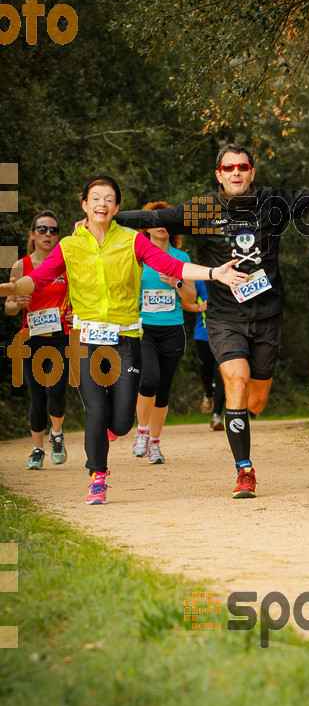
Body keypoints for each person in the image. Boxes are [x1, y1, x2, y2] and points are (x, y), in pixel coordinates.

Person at [116, 145, 309, 498]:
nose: (236, 172)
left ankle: (241, 409)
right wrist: (105, 217)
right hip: (224, 316)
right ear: (219, 174)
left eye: (243, 167)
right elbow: (152, 220)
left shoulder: (273, 202)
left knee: (255, 401)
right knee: (236, 383)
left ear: (252, 172)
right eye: (229, 168)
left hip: (268, 315)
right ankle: (244, 471)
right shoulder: (201, 210)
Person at [0, 176, 247, 505]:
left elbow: (172, 265)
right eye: (95, 198)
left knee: (121, 421)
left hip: (126, 339)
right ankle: (97, 477)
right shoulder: (69, 247)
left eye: (109, 199)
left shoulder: (132, 241)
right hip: (86, 340)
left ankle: (105, 439)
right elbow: (40, 278)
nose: (101, 203)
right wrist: (13, 288)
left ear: (117, 208)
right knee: (96, 412)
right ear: (84, 205)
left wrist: (215, 273)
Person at [131, 201, 196, 463]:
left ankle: (155, 444)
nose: (160, 226)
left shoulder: (181, 258)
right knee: (149, 380)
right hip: (144, 328)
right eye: (154, 221)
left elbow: (191, 297)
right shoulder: (135, 257)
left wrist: (177, 282)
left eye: (166, 221)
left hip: (172, 329)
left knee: (164, 389)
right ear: (145, 228)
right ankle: (142, 433)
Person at [5, 211, 70, 469]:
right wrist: (16, 302)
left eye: (53, 231)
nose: (48, 235)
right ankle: (37, 449)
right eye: (42, 230)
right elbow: (9, 307)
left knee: (55, 390)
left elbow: (78, 296)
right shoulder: (21, 266)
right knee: (37, 396)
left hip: (61, 336)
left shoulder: (66, 264)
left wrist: (76, 313)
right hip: (31, 337)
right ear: (32, 234)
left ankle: (56, 435)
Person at [181, 280, 226, 431]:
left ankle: (217, 416)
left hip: (226, 337)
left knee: (221, 375)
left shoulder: (230, 279)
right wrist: (200, 307)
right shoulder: (200, 281)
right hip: (203, 336)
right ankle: (208, 393)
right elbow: (184, 303)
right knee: (206, 375)